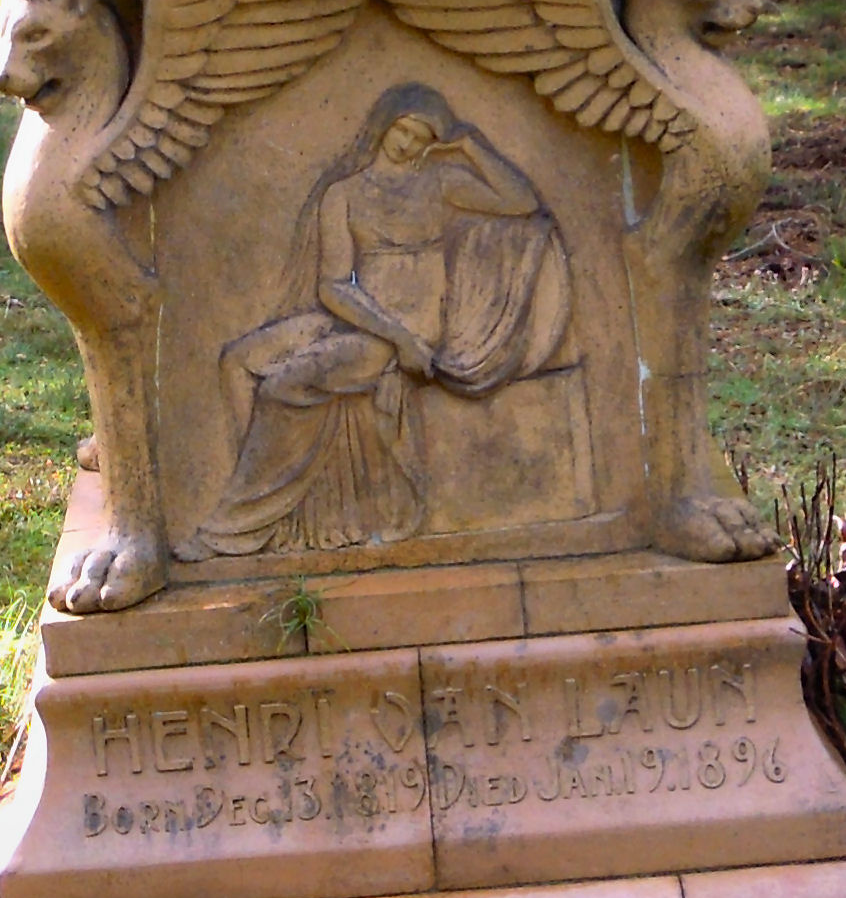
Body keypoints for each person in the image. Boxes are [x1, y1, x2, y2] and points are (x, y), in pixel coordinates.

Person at [179, 88, 572, 559]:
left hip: (413, 329)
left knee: (284, 385)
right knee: (237, 360)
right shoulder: (342, 194)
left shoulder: (440, 181)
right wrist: (393, 333)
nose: (406, 142)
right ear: (383, 125)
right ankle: (279, 510)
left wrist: (469, 146)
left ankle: (232, 528)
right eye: (402, 129)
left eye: (420, 136)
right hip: (364, 322)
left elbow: (520, 201)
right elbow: (332, 286)